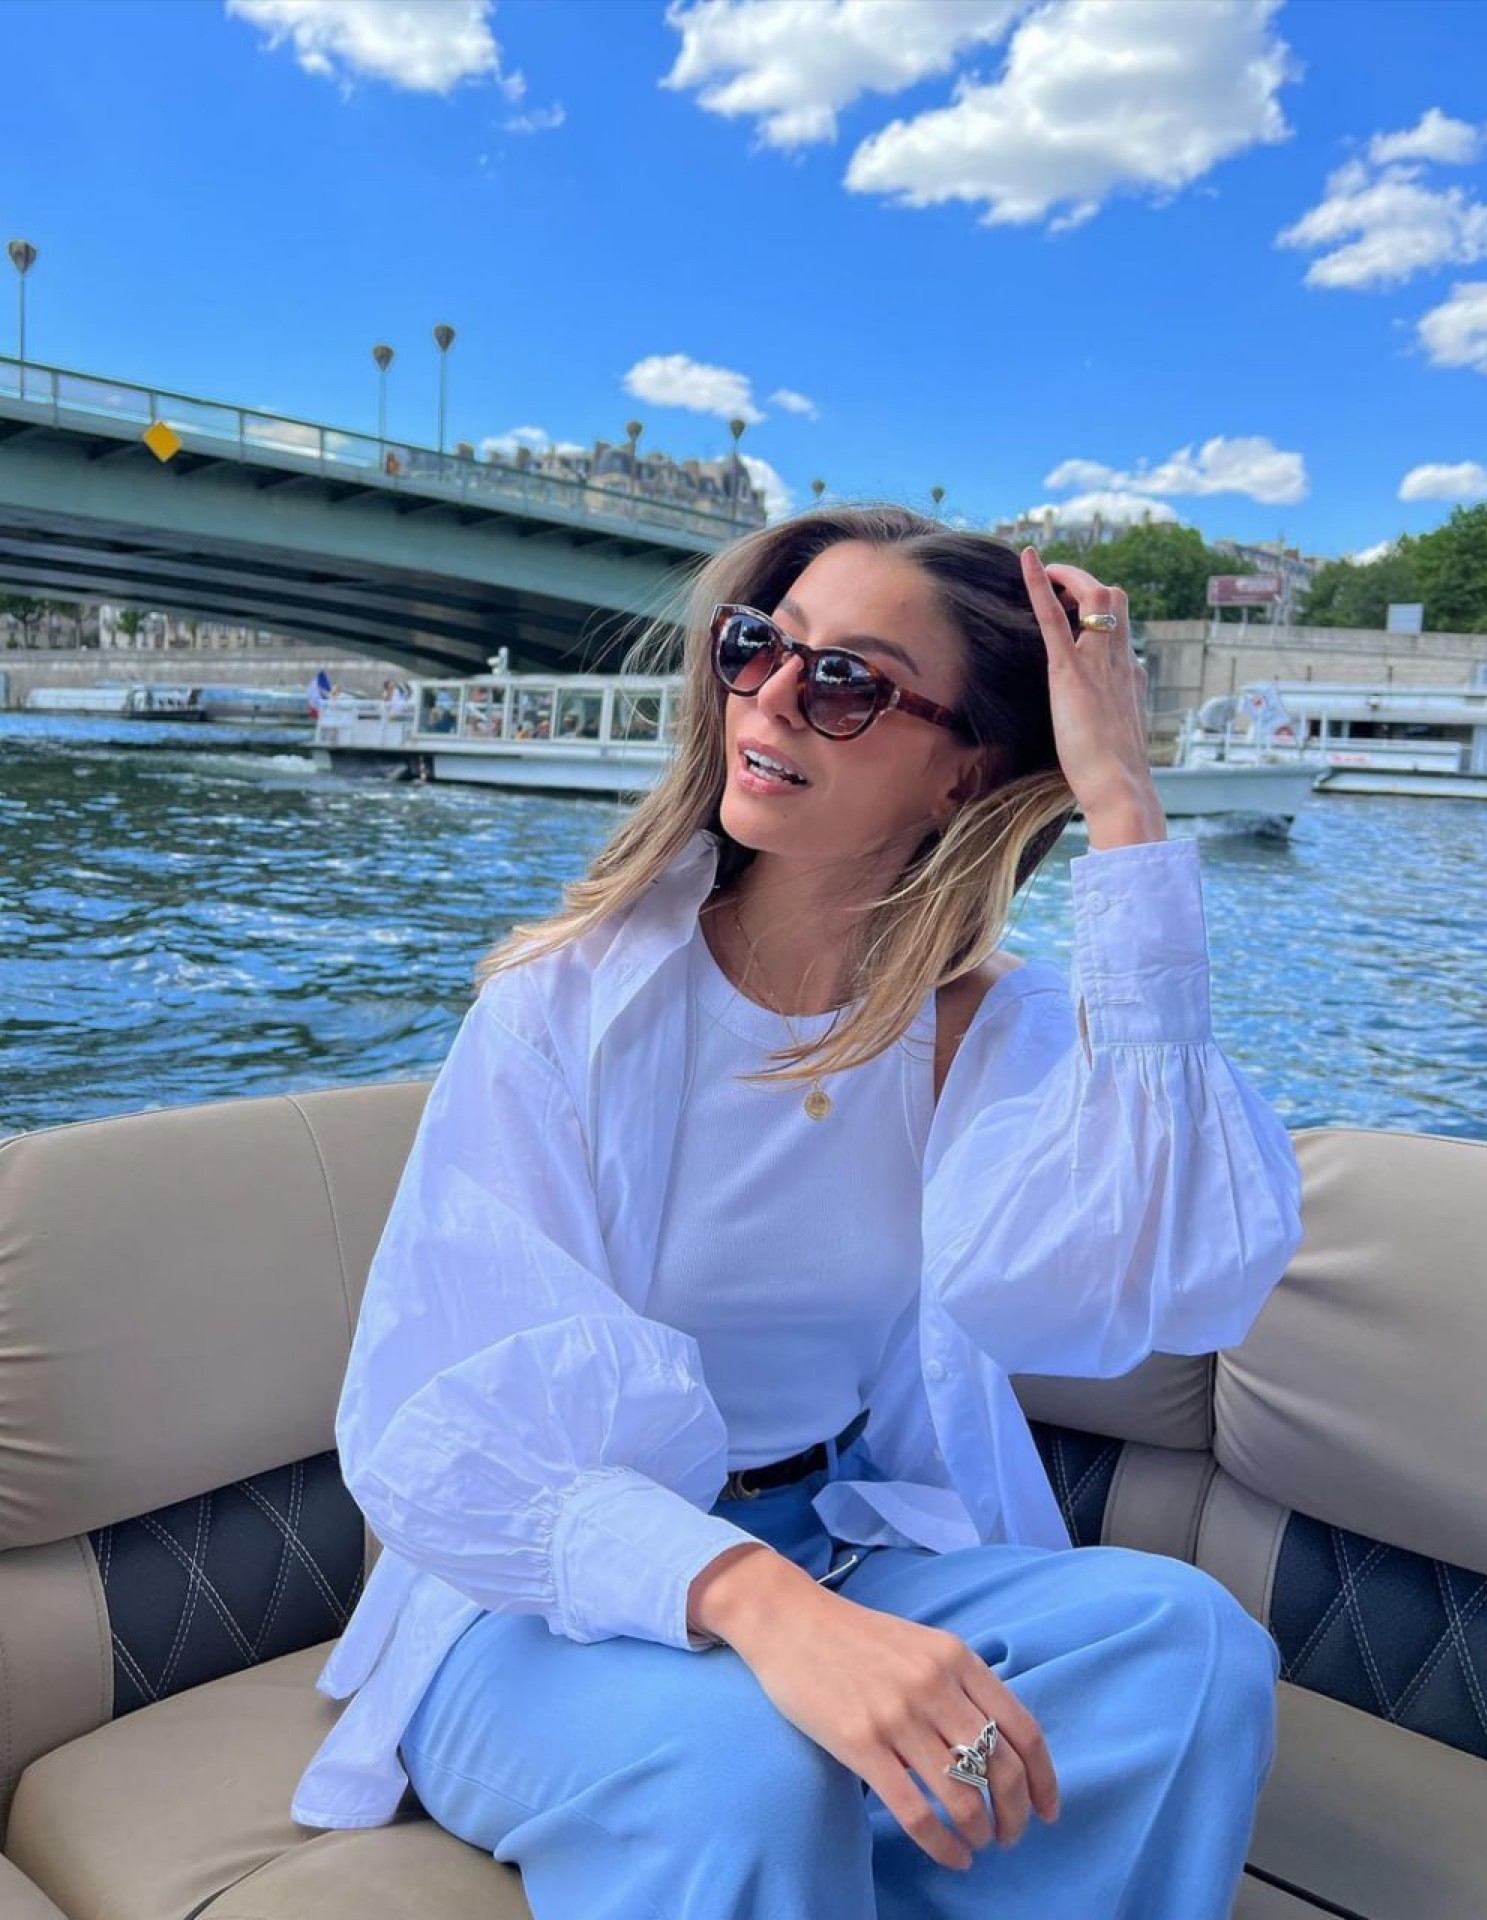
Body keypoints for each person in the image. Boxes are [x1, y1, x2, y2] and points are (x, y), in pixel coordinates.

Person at [291, 505, 1303, 1918]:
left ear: (964, 773)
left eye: (848, 681)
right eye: (759, 647)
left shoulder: (979, 1039)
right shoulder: (563, 1008)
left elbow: (1174, 1268)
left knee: (1190, 1650)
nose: (770, 697)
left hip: (837, 1547)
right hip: (543, 1603)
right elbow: (441, 1431)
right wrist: (765, 1609)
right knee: (752, 1769)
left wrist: (1123, 806)